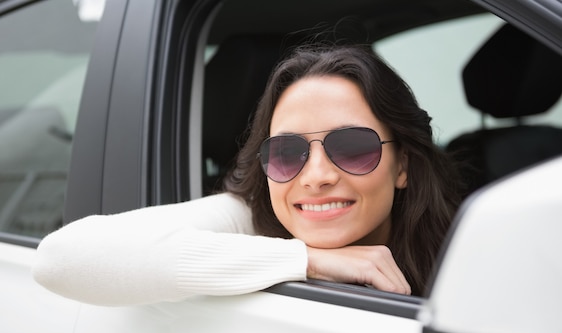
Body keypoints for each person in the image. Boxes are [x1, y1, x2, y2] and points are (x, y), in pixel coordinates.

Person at [33, 43, 461, 306]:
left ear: (402, 165)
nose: (315, 176)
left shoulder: (465, 250)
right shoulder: (246, 218)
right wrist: (308, 261)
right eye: (287, 153)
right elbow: (60, 258)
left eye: (351, 146)